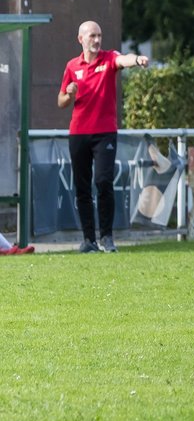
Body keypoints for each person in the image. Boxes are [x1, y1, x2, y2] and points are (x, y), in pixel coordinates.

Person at [58, 20, 149, 253]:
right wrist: (69, 94)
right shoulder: (71, 66)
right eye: (92, 36)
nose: (97, 40)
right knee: (82, 187)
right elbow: (61, 102)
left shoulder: (108, 59)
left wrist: (137, 59)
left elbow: (123, 59)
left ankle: (107, 238)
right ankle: (89, 240)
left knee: (103, 181)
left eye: (99, 36)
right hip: (78, 133)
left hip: (104, 133)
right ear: (81, 39)